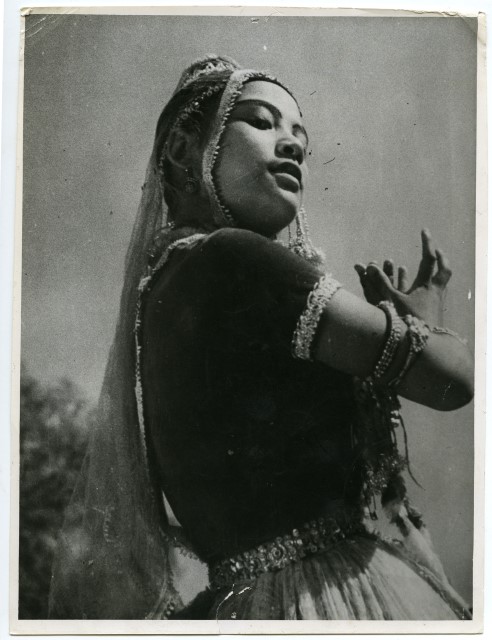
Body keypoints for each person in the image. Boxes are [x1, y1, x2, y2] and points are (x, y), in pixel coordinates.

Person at [49, 55, 473, 621]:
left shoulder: (169, 284)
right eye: (261, 121)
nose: (292, 144)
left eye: (301, 138)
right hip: (322, 601)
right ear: (183, 150)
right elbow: (452, 378)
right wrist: (425, 318)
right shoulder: (233, 260)